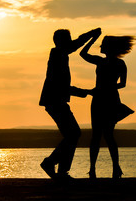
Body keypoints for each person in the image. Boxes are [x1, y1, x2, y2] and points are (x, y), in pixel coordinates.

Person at [39, 27, 101, 180]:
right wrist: (85, 92)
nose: (70, 43)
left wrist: (91, 34)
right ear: (61, 41)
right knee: (73, 134)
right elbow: (61, 86)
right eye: (68, 40)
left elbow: (75, 43)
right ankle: (52, 164)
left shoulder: (61, 54)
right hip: (54, 100)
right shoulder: (57, 54)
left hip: (56, 100)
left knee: (72, 134)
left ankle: (60, 170)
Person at [80, 32, 135, 179]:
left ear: (109, 47)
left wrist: (105, 88)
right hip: (102, 99)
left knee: (104, 135)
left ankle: (112, 168)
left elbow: (122, 84)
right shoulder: (105, 62)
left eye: (103, 44)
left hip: (105, 99)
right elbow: (82, 54)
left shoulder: (113, 63)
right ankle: (96, 169)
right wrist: (94, 39)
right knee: (100, 135)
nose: (101, 46)